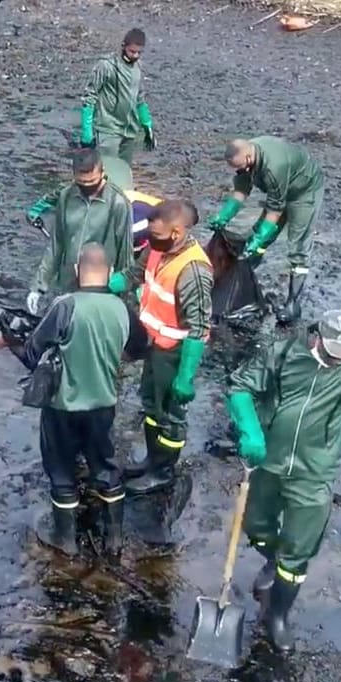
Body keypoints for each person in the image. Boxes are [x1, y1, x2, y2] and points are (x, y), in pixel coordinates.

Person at [226, 309, 341, 649]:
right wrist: (250, 430)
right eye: (332, 354)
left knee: (299, 552)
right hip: (269, 462)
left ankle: (278, 615)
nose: (338, 362)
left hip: (315, 471)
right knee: (256, 526)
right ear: (316, 338)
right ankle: (272, 560)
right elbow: (239, 386)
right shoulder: (281, 354)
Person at [0, 240, 130, 559]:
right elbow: (138, 346)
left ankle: (64, 538)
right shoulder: (122, 308)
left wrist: (8, 341)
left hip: (63, 407)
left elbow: (32, 353)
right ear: (109, 273)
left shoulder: (66, 305)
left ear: (78, 271)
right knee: (106, 466)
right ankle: (115, 538)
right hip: (104, 404)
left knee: (62, 470)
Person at [121, 199, 211, 549]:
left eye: (156, 234)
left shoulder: (194, 271)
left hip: (174, 353)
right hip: (153, 343)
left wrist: (186, 375)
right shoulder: (158, 249)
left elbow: (199, 327)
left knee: (169, 413)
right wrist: (104, 284)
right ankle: (149, 461)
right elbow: (133, 275)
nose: (151, 239)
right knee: (150, 403)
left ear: (177, 232)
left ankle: (163, 472)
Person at [207, 136, 325, 324]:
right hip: (280, 190)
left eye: (243, 167)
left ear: (248, 156)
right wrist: (224, 215)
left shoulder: (274, 167)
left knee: (298, 243)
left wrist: (260, 237)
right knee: (259, 236)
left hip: (303, 192)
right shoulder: (245, 161)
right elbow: (241, 191)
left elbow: (275, 210)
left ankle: (293, 304)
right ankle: (251, 263)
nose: (241, 171)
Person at [27, 149, 134, 317]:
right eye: (81, 182)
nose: (87, 187)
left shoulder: (118, 203)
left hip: (101, 285)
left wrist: (124, 297)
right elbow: (56, 244)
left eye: (92, 181)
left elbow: (125, 254)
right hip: (68, 280)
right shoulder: (66, 196)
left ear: (102, 172)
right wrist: (39, 286)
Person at [77, 28, 153, 193]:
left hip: (130, 129)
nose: (136, 56)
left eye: (139, 52)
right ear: (123, 46)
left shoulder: (138, 68)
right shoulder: (106, 66)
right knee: (106, 170)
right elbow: (89, 97)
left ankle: (123, 204)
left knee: (124, 172)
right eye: (132, 51)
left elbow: (140, 98)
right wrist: (87, 131)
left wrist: (147, 125)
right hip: (108, 127)